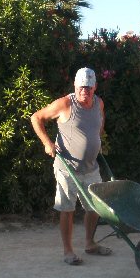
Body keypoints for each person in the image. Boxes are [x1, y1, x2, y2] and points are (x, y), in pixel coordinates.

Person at [31, 67, 112, 265]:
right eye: (82, 87)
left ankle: (90, 244)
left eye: (89, 87)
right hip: (67, 167)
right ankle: (68, 251)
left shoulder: (98, 103)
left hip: (91, 168)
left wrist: (97, 139)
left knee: (94, 208)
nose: (85, 91)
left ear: (95, 87)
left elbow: (100, 122)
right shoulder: (65, 104)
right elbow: (36, 118)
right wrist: (47, 143)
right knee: (67, 209)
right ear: (75, 86)